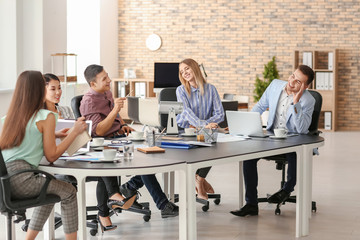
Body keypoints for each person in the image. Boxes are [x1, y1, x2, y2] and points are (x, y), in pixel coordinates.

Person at [79, 64, 179, 220]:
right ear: (93, 84)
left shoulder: (107, 92)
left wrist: (123, 125)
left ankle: (130, 187)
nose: (109, 80)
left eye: (108, 76)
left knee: (152, 153)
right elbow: (98, 131)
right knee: (145, 162)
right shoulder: (89, 102)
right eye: (104, 78)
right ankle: (162, 204)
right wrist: (115, 111)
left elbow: (115, 118)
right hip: (105, 144)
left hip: (119, 138)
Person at [0, 71, 88, 240]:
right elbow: (52, 156)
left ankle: (29, 239)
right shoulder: (46, 116)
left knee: (50, 191)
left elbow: (23, 137)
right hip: (23, 180)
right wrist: (74, 132)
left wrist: (55, 135)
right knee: (69, 192)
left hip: (5, 183)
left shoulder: (7, 118)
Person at [230, 64, 315, 217]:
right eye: (292, 76)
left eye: (298, 82)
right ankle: (251, 204)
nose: (292, 82)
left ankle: (287, 190)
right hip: (271, 136)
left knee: (295, 153)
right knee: (248, 157)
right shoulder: (275, 85)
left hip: (292, 138)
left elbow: (302, 129)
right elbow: (260, 106)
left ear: (306, 86)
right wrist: (246, 123)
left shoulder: (308, 100)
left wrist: (296, 102)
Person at [176, 58, 225, 200]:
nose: (184, 73)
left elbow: (220, 114)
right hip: (185, 130)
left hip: (203, 129)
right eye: (181, 71)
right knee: (197, 150)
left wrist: (205, 125)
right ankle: (200, 180)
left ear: (195, 68)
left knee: (214, 148)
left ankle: (200, 179)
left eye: (187, 69)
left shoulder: (211, 89)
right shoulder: (181, 90)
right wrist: (203, 125)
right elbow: (186, 112)